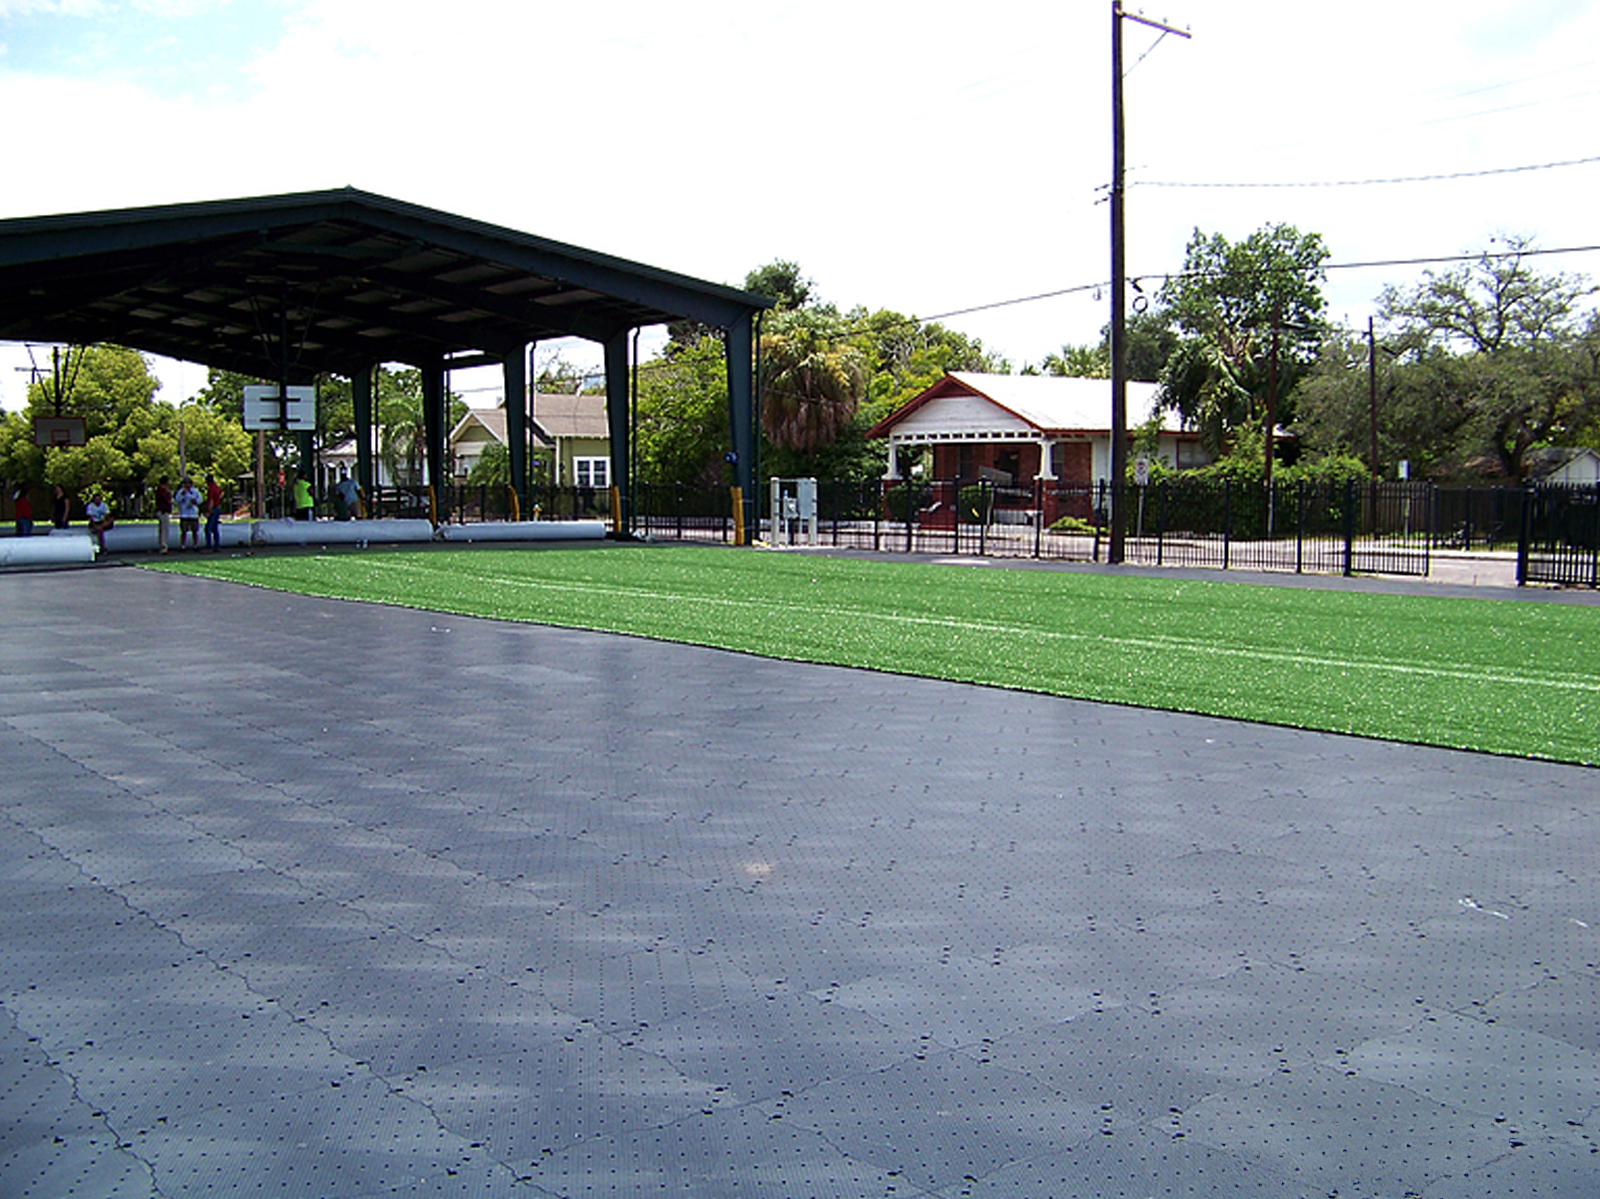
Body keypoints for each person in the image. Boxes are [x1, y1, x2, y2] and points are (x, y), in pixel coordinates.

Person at [174, 476, 202, 550]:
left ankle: (195, 545)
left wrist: (195, 501)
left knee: (195, 531)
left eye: (188, 483)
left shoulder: (195, 491)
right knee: (184, 531)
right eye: (185, 483)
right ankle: (182, 545)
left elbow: (200, 500)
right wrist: (182, 495)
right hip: (184, 514)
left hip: (193, 514)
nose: (187, 485)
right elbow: (177, 501)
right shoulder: (180, 491)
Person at [203, 474, 223, 551]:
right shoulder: (216, 487)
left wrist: (209, 511)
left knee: (208, 529)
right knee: (215, 528)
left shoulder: (211, 488)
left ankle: (209, 546)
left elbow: (211, 500)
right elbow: (221, 494)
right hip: (217, 507)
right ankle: (216, 545)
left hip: (214, 508)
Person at [153, 476, 173, 553]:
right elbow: (167, 500)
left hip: (163, 511)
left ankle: (163, 545)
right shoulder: (162, 491)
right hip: (163, 511)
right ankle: (163, 546)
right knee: (164, 530)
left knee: (163, 529)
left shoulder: (161, 490)